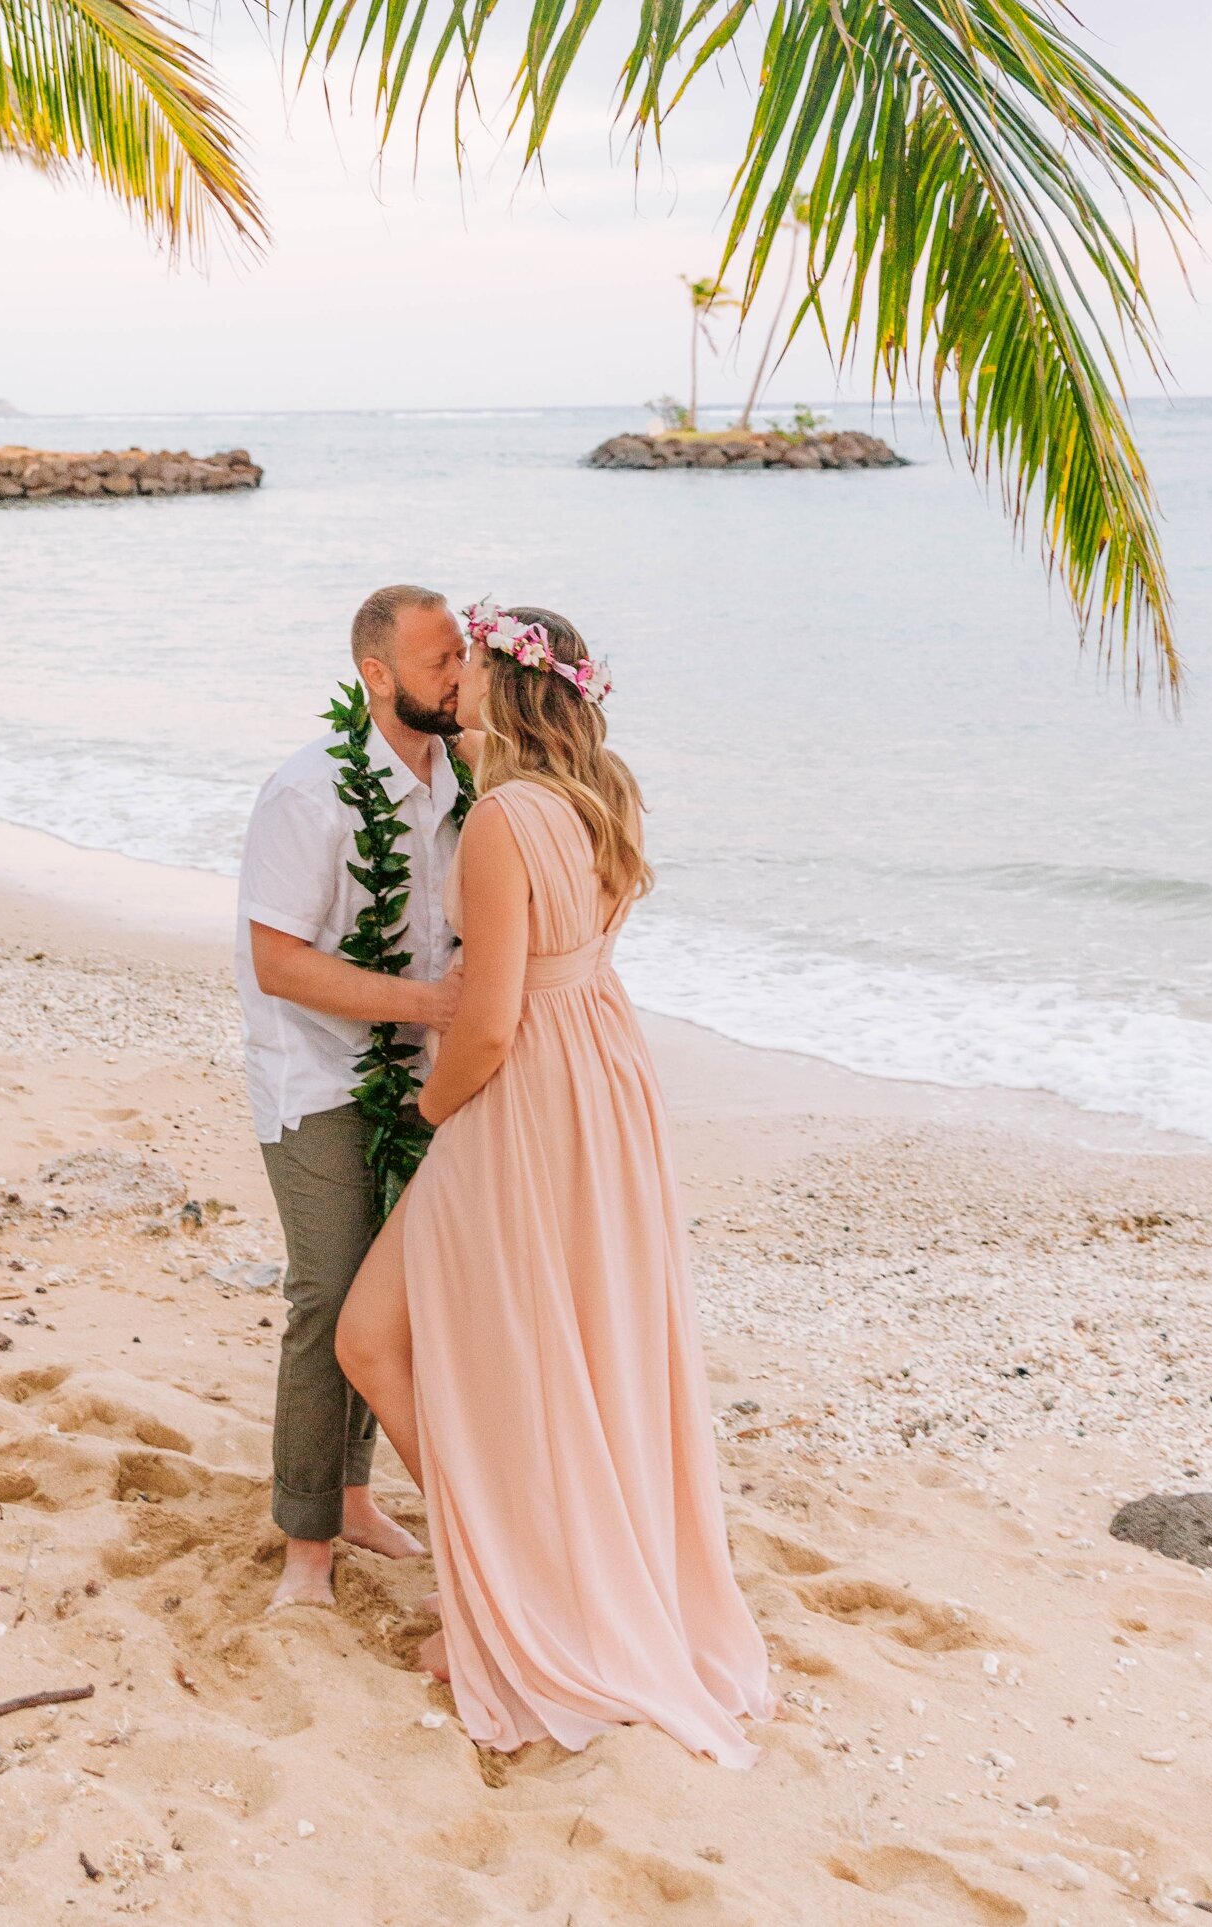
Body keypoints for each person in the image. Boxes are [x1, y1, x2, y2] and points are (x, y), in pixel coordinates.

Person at [336, 602, 771, 1761]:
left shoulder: (499, 821)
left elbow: (481, 1026)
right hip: (603, 1082)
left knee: (373, 1339)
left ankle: (514, 1597)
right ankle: (525, 1579)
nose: (458, 679)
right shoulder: (601, 799)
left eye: (469, 662)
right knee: (577, 1349)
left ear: (507, 685)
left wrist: (429, 1120)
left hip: (522, 1094)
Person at [237, 583, 467, 1610]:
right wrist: (428, 1001)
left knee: (392, 1297)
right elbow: (278, 963)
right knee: (329, 1294)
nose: (458, 677)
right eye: (437, 663)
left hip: (421, 1072)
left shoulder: (466, 779)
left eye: (461, 655)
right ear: (375, 677)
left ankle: (357, 1491)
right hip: (316, 1074)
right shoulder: (309, 792)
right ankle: (304, 1542)